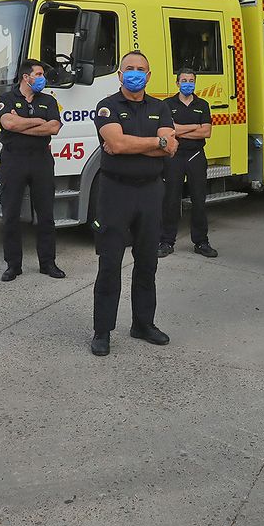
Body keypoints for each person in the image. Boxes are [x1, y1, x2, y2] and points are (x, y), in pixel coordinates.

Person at [89, 51, 175, 356]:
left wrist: (134, 146)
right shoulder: (107, 107)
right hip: (116, 194)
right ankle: (102, 330)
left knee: (147, 263)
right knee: (110, 263)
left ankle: (143, 324)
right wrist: (155, 142)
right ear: (120, 74)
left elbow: (170, 147)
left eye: (141, 69)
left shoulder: (160, 107)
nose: (135, 73)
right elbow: (116, 143)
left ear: (149, 76)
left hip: (151, 193)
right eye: (130, 69)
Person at [0, 59, 66, 281]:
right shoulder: (6, 99)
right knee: (10, 215)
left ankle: (48, 263)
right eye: (39, 74)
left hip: (41, 161)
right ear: (26, 77)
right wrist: (38, 122)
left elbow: (54, 127)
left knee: (46, 215)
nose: (42, 78)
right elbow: (9, 124)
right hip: (13, 160)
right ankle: (13, 266)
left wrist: (24, 123)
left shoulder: (48, 100)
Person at [161, 67, 218, 259]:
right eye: (184, 80)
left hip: (196, 156)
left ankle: (201, 242)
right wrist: (195, 126)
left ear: (195, 83)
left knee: (199, 201)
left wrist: (180, 129)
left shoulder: (203, 104)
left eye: (191, 80)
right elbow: (169, 131)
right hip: (173, 156)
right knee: (170, 200)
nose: (187, 84)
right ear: (177, 83)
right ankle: (166, 242)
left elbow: (206, 132)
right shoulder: (167, 104)